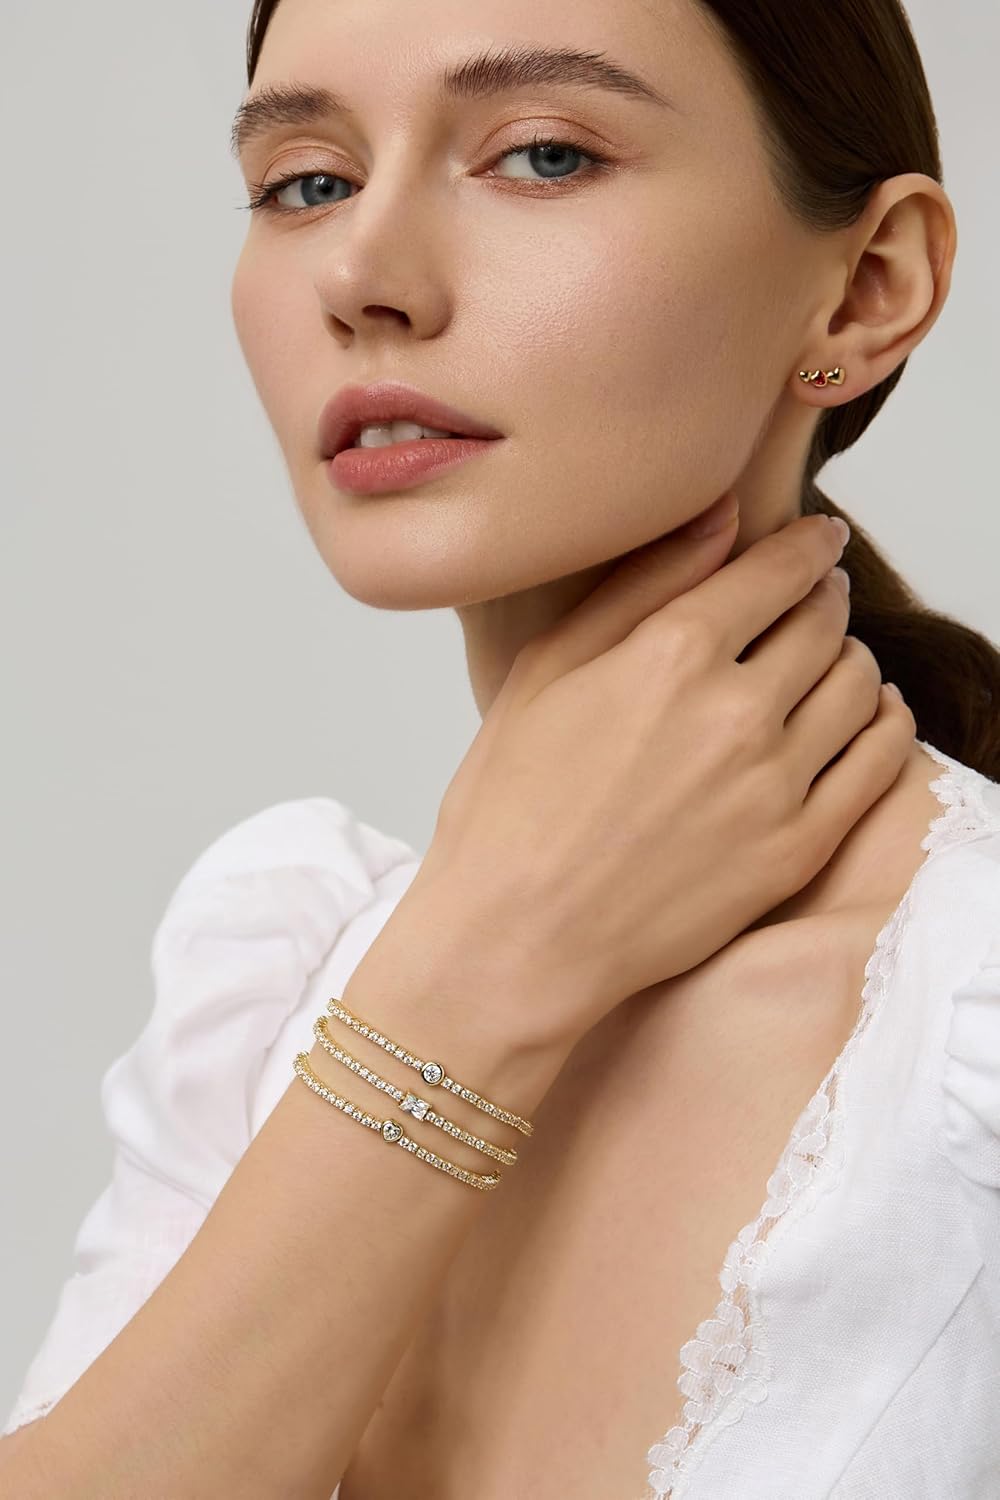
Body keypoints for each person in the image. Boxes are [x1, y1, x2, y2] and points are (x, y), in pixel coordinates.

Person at [2, 1, 998, 1496]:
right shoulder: (271, 985)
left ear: (868, 287)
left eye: (542, 155)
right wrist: (478, 971)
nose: (363, 277)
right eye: (308, 182)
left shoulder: (971, 1012)